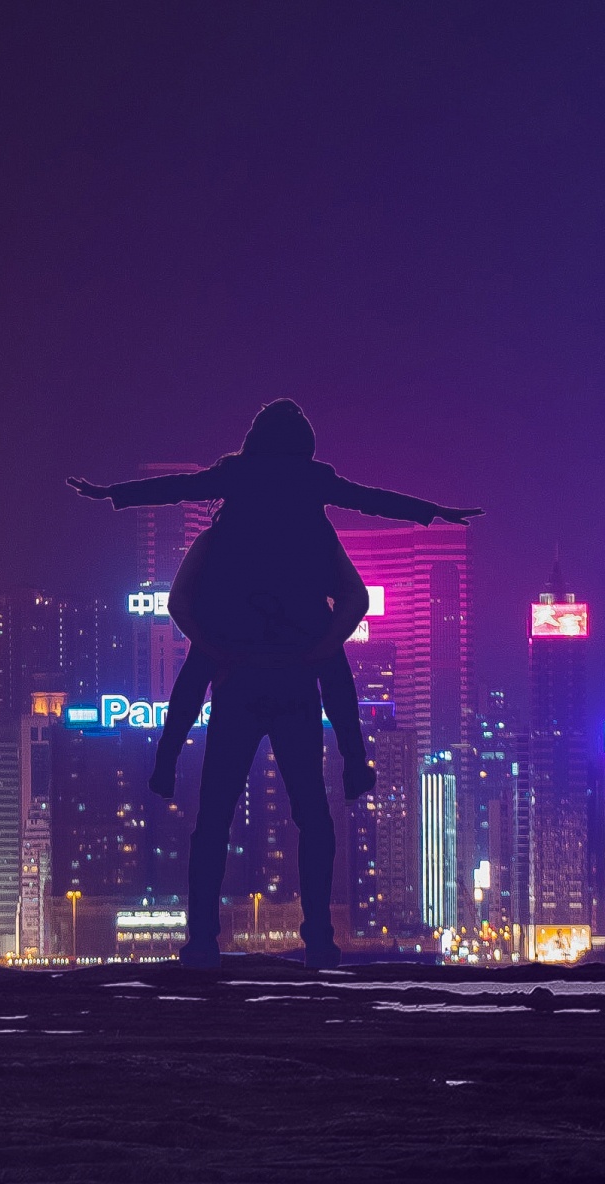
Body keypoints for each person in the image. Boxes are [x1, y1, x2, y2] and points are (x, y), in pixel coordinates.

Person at [69, 399, 482, 968]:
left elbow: (177, 495)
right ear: (304, 450)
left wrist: (111, 494)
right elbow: (370, 508)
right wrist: (433, 513)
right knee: (313, 814)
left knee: (212, 817)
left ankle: (202, 942)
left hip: (235, 678)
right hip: (295, 678)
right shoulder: (314, 523)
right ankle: (320, 938)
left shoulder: (227, 517)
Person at [148, 526, 375, 802]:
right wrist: (323, 645)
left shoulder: (217, 538)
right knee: (311, 810)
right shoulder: (310, 537)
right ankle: (354, 761)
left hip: (235, 670)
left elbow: (178, 602)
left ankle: (167, 757)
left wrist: (209, 643)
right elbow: (356, 598)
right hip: (294, 675)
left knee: (215, 810)